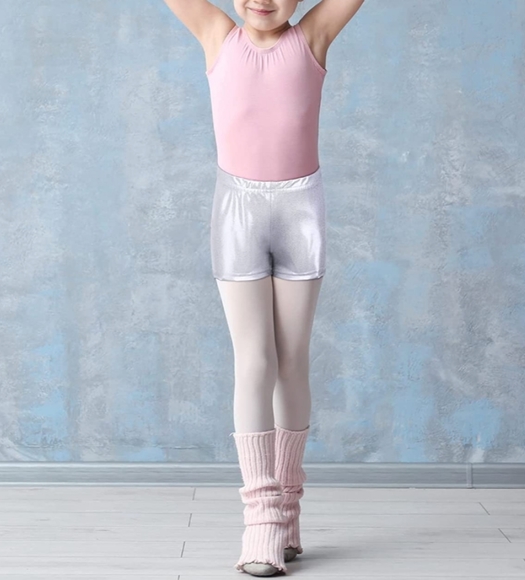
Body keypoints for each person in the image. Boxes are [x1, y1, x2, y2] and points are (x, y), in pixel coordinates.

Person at [163, 0, 365, 575]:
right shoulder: (217, 35)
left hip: (301, 213)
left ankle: (288, 508)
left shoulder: (312, 39)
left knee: (292, 361)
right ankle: (261, 518)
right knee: (254, 360)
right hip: (238, 214)